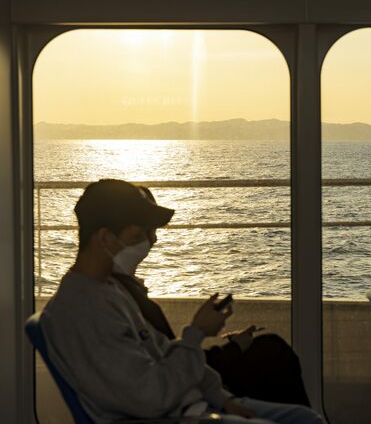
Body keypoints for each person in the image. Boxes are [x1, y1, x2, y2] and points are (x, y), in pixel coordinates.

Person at [40, 179, 323, 424]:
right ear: (104, 237)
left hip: (196, 404)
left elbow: (161, 352)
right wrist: (196, 333)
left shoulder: (110, 290)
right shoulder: (82, 310)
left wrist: (223, 400)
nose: (148, 243)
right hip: (175, 416)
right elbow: (150, 398)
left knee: (306, 419)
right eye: (137, 235)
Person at [110, 185, 310, 407]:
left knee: (269, 349)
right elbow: (166, 373)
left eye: (153, 232)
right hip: (185, 392)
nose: (152, 241)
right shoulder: (116, 298)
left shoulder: (122, 291)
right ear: (107, 236)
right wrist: (218, 341)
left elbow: (164, 354)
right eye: (141, 233)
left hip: (185, 380)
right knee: (273, 354)